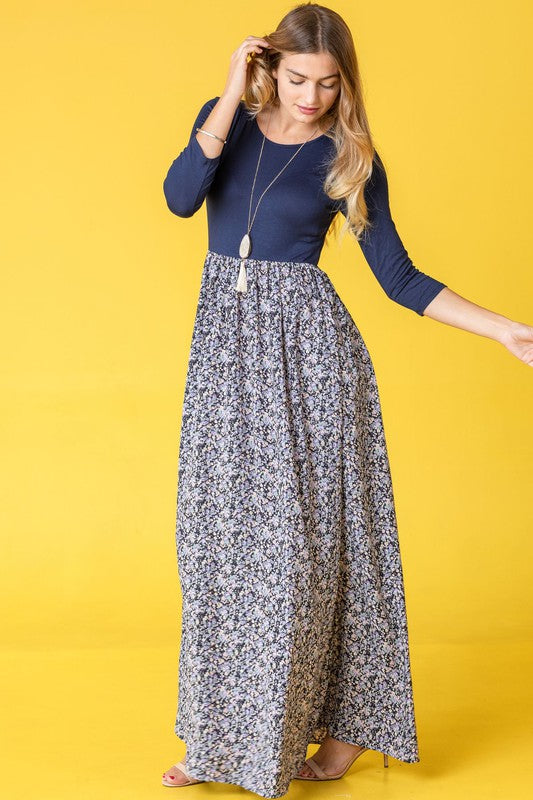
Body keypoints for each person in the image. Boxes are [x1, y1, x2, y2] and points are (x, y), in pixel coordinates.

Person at [161, 4, 533, 797]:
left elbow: (399, 279)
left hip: (311, 369)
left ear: (344, 84)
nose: (310, 98)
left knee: (304, 560)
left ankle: (339, 733)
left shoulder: (349, 156)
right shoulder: (223, 122)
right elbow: (180, 197)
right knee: (216, 551)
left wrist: (502, 329)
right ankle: (220, 738)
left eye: (328, 85)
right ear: (269, 67)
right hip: (226, 368)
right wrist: (231, 91)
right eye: (296, 79)